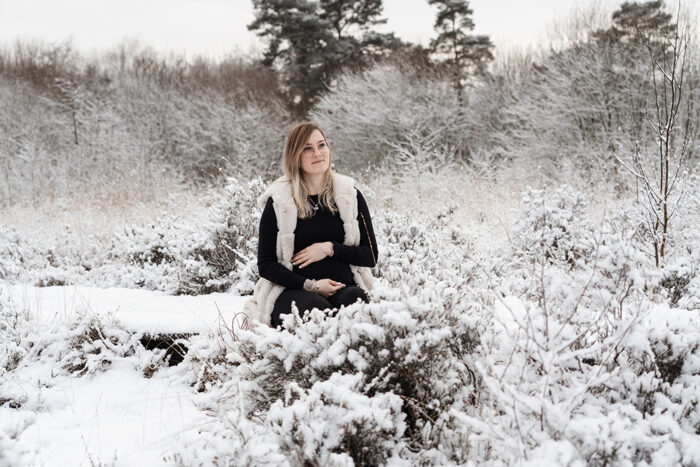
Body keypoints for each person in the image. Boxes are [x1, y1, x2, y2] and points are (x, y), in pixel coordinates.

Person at [243, 122, 378, 328]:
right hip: (292, 290)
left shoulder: (349, 195)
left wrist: (330, 248)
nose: (317, 153)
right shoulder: (279, 201)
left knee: (356, 302)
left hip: (342, 286)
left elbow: (371, 255)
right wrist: (311, 285)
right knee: (316, 310)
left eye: (321, 145)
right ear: (295, 156)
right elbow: (266, 265)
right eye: (308, 148)